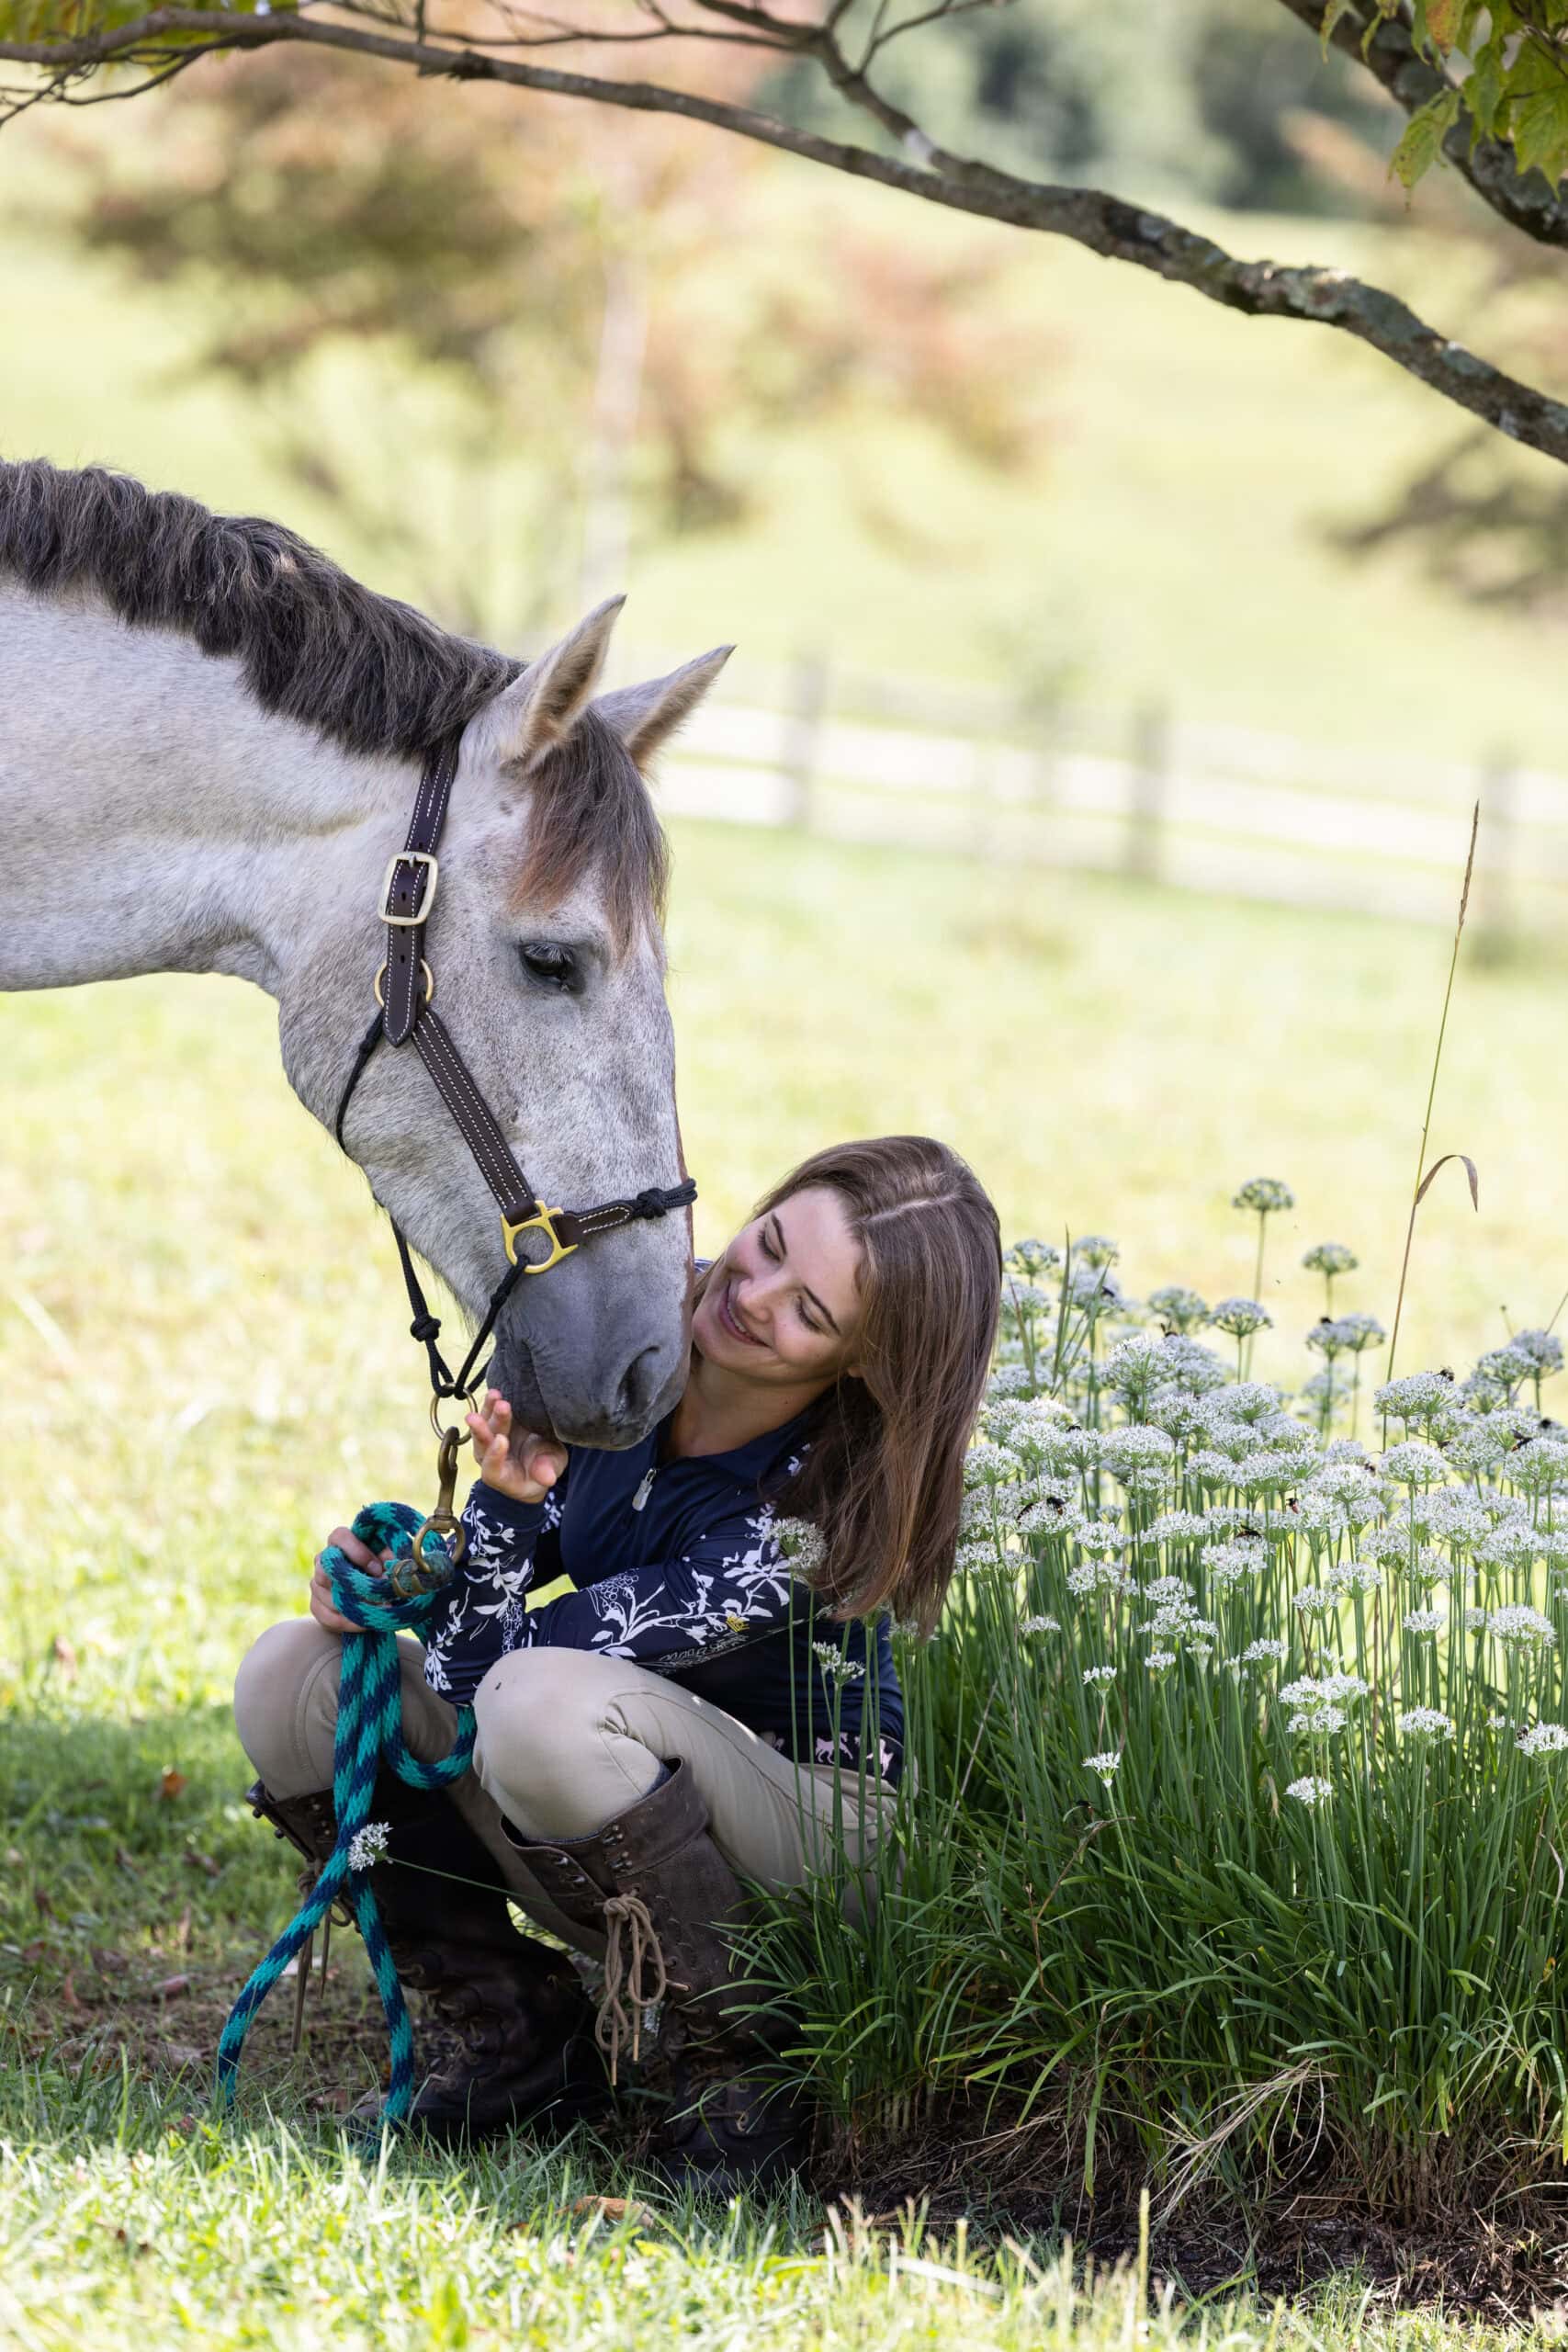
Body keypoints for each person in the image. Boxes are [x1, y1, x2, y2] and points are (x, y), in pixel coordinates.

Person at [234, 1135, 1000, 2192]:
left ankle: (738, 2078)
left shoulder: (810, 1516)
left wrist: (499, 1522)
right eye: (767, 1244)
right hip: (603, 1777)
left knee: (534, 1703)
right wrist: (409, 1563)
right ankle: (513, 2040)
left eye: (808, 1311)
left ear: (863, 1361)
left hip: (818, 1849)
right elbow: (484, 1629)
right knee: (293, 1674)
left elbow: (502, 1671)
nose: (752, 1294)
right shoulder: (636, 1356)